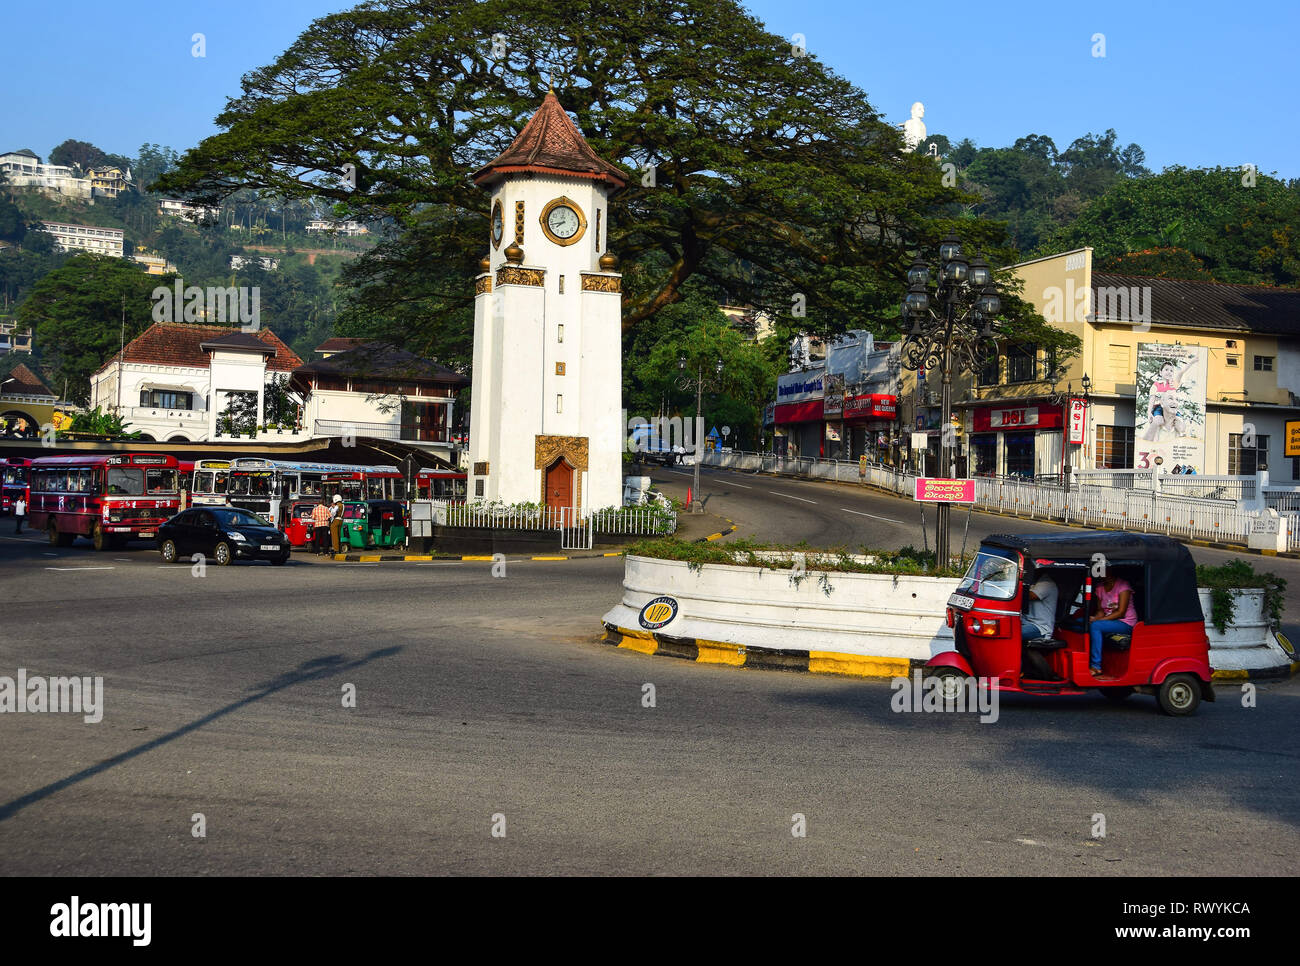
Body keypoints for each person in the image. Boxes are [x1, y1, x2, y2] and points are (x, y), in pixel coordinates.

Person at [1089, 573, 1138, 675]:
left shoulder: (1123, 586)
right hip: (1108, 621)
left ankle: (1096, 666)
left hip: (1126, 623)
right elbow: (1101, 611)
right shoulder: (1100, 587)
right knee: (1083, 623)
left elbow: (1121, 612)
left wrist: (1100, 621)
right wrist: (1094, 618)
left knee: (1095, 626)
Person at [1021, 572, 1058, 641]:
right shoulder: (1033, 583)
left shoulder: (1047, 583)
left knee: (1013, 633)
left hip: (1040, 627)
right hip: (1026, 622)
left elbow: (1032, 595)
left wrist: (1012, 590)